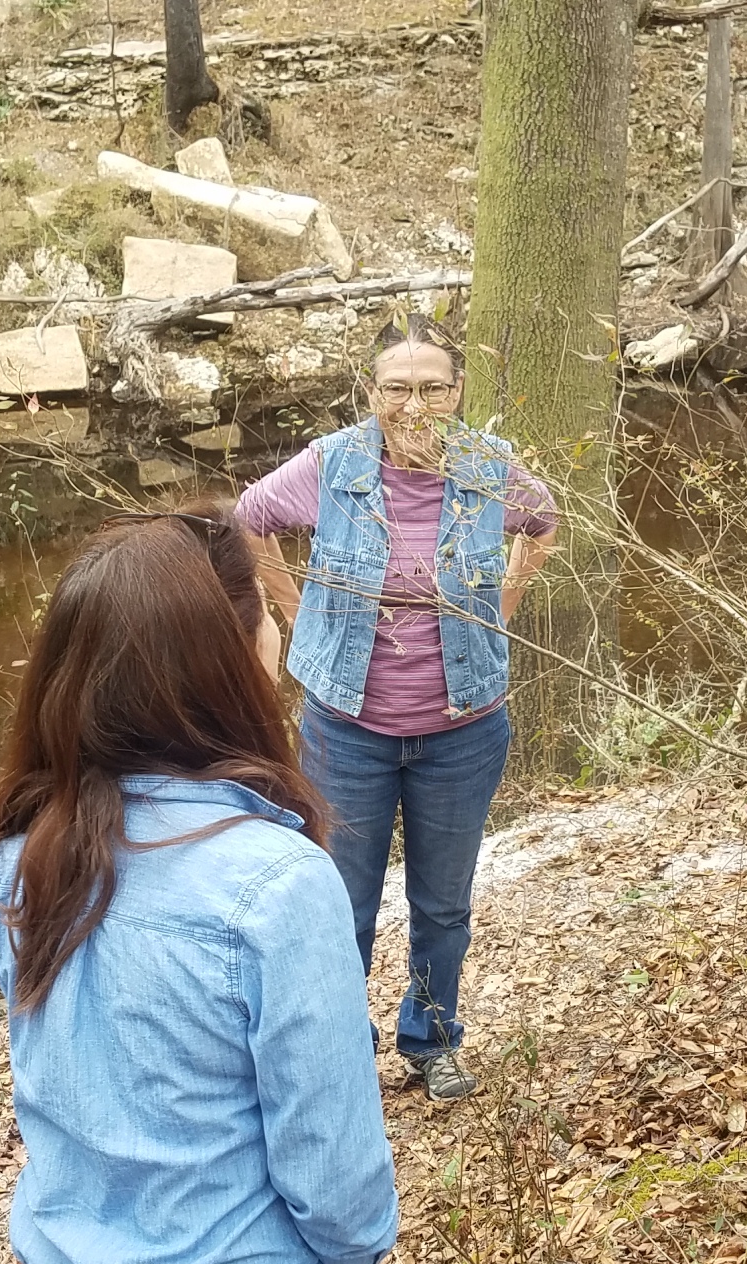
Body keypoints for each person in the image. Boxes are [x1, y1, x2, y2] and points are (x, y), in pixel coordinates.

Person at [0, 502, 396, 1264]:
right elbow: (329, 1164)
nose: (279, 626)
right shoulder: (277, 883)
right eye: (265, 614)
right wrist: (364, 1258)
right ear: (233, 654)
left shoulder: (22, 849)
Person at [238, 314, 559, 1103]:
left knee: (443, 903)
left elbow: (543, 523)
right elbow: (249, 520)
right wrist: (296, 605)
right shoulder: (334, 463)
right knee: (340, 901)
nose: (414, 405)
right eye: (397, 388)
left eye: (431, 388)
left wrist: (501, 605)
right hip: (347, 730)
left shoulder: (489, 468)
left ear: (456, 392)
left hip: (464, 729)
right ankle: (343, 1044)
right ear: (371, 392)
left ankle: (432, 1038)